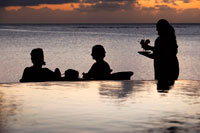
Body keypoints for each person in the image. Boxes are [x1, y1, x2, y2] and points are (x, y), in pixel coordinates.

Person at [139, 19, 179, 86]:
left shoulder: (159, 40)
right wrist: (149, 48)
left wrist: (146, 51)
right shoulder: (171, 38)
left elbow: (158, 55)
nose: (156, 30)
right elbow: (164, 52)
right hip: (173, 66)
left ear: (162, 28)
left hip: (162, 68)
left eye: (157, 28)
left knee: (161, 87)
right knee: (169, 87)